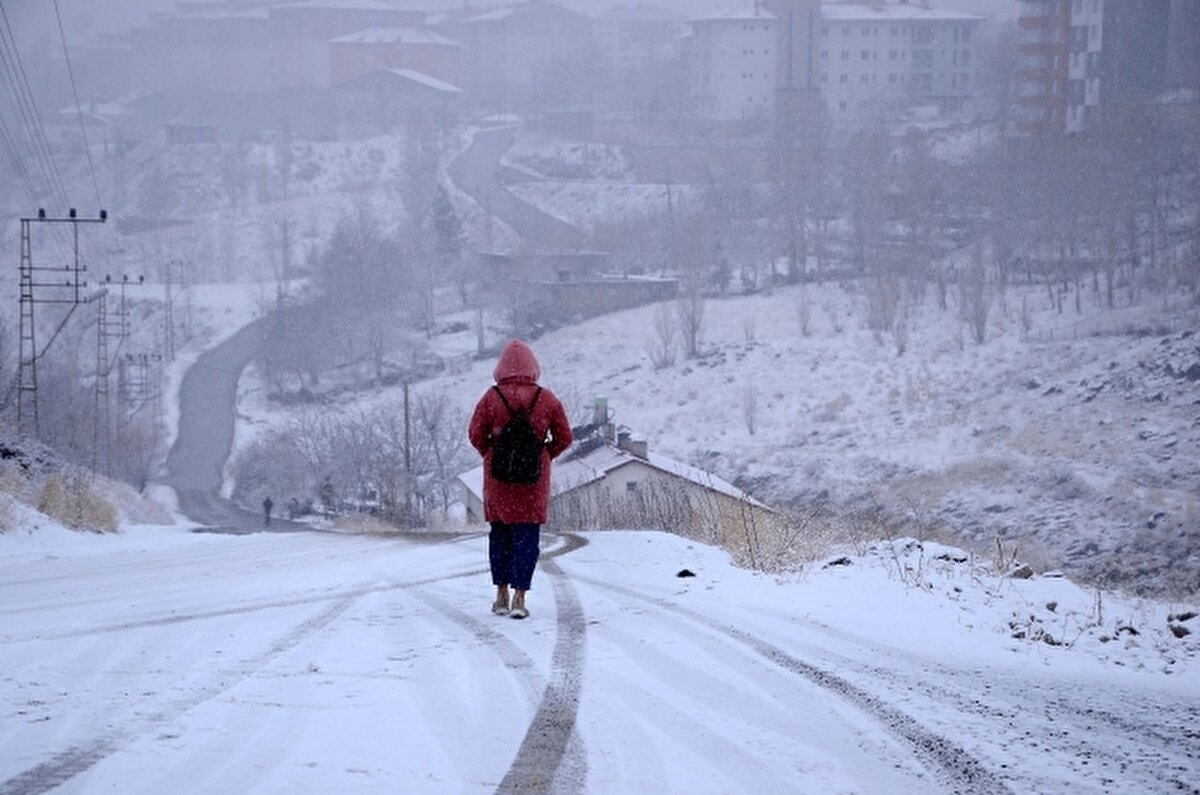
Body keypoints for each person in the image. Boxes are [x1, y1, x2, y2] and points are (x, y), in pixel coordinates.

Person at [469, 339, 572, 619]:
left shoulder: (491, 398)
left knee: (500, 536)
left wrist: (491, 454)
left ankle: (500, 595)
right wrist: (544, 454)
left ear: (500, 368)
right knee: (527, 539)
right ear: (533, 367)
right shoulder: (547, 399)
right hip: (532, 483)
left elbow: (475, 434)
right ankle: (520, 598)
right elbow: (565, 437)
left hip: (498, 481)